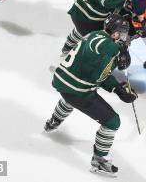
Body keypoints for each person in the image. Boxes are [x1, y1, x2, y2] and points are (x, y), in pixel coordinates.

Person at [44, 13, 137, 177]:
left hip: (65, 82)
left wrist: (118, 89)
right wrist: (119, 50)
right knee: (112, 121)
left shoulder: (100, 38)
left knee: (70, 98)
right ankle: (100, 160)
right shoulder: (102, 41)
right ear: (115, 32)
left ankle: (54, 121)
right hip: (75, 88)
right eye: (123, 33)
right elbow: (99, 54)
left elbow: (100, 74)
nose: (125, 38)